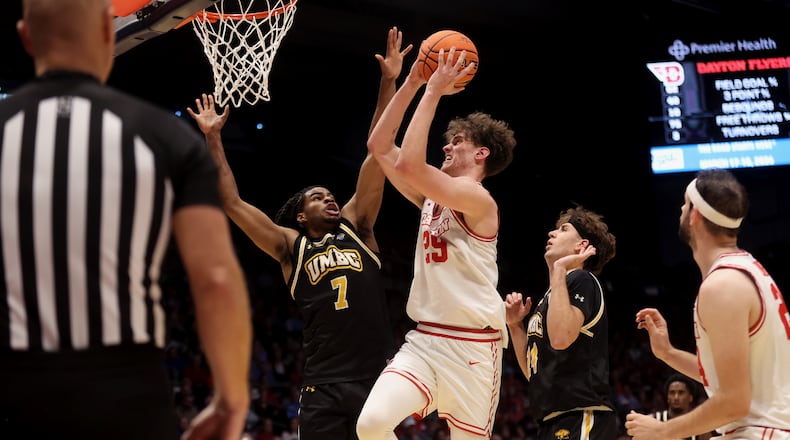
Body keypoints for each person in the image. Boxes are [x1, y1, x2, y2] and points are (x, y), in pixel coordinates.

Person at [0, 1, 252, 439]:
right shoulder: (163, 136)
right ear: (105, 27)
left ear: (25, 36)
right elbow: (215, 278)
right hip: (127, 393)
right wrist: (231, 398)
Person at [187, 26, 412, 440]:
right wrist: (213, 139)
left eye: (331, 195)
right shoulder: (291, 246)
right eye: (317, 197)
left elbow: (377, 152)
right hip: (322, 385)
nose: (329, 199)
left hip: (375, 381)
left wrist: (389, 80)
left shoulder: (359, 224)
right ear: (300, 217)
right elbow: (233, 203)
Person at [357, 46, 517, 439]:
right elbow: (379, 147)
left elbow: (410, 163)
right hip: (426, 340)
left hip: (474, 350)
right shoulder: (432, 196)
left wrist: (434, 90)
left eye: (456, 140)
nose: (446, 146)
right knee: (371, 424)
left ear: (481, 153)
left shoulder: (479, 199)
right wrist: (412, 81)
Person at [625, 169, 790, 440]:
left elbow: (734, 401)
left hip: (758, 433)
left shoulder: (722, 285)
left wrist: (664, 430)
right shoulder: (746, 270)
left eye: (685, 203)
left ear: (696, 215)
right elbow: (733, 378)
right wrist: (668, 353)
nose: (681, 208)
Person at [504, 205, 618, 440]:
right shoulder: (553, 295)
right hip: (552, 420)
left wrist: (559, 269)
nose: (552, 234)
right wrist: (515, 326)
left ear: (582, 245)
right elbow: (535, 372)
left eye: (563, 230)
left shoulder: (582, 279)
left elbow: (561, 338)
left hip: (581, 415)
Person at [653, 373, 713, 440]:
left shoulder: (700, 428)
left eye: (681, 392)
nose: (676, 397)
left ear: (690, 397)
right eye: (672, 393)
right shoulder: (654, 420)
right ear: (667, 397)